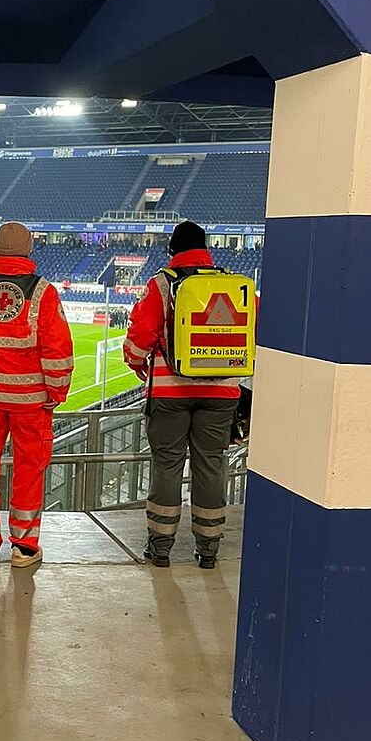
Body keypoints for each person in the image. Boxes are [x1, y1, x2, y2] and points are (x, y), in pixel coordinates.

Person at [0, 221, 74, 566]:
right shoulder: (44, 292)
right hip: (32, 403)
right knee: (29, 471)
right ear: (28, 249)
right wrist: (56, 391)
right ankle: (24, 546)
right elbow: (57, 349)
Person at [123, 220, 241, 570]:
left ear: (172, 250)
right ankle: (209, 548)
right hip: (221, 392)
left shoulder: (161, 284)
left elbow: (140, 337)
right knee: (211, 465)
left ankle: (160, 548)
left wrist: (137, 363)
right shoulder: (232, 284)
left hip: (170, 392)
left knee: (167, 465)